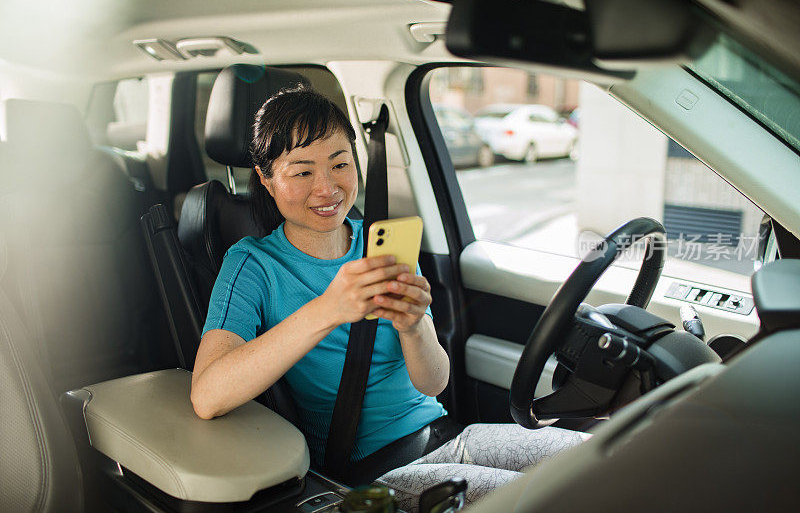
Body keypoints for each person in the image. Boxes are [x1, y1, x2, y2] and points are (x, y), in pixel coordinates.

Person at [190, 85, 588, 511]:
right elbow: (208, 396)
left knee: (595, 459)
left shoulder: (382, 247)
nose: (327, 189)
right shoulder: (253, 264)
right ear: (267, 180)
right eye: (302, 172)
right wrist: (328, 310)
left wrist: (413, 325)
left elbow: (434, 383)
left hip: (445, 434)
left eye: (340, 164)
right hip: (371, 472)